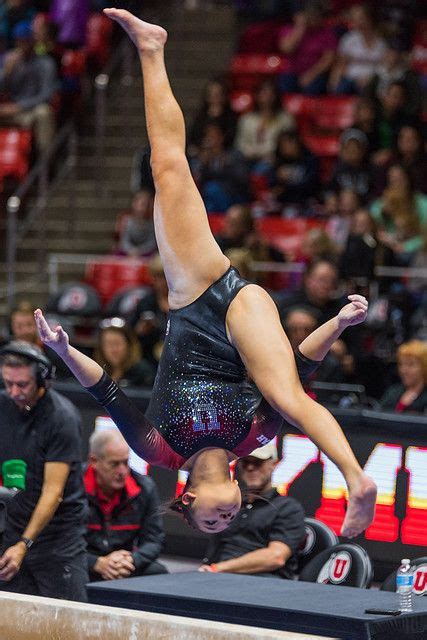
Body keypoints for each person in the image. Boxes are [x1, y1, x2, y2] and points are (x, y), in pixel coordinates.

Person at [34, 8, 376, 540]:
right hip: (241, 310)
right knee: (290, 397)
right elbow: (302, 366)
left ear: (186, 497)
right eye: (230, 517)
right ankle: (356, 477)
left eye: (212, 519)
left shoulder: (159, 448)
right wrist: (337, 324)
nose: (227, 514)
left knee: (168, 166)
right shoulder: (254, 438)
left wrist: (60, 349)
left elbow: (106, 390)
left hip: (197, 295)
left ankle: (152, 49)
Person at [0, 341, 88, 600]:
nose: (14, 392)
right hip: (13, 530)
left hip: (59, 540)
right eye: (8, 383)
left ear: (41, 380)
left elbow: (53, 493)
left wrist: (24, 545)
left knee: (68, 625)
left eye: (22, 385)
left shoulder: (61, 417)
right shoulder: (3, 406)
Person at [199, 442, 305, 579]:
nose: (250, 467)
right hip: (218, 577)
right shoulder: (230, 505)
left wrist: (219, 568)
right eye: (245, 462)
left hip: (262, 582)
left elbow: (276, 557)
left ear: (273, 464)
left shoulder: (288, 508)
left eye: (257, 462)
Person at [85, 429, 167, 581]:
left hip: (125, 564)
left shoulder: (144, 488)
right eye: (114, 464)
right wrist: (96, 563)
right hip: (86, 563)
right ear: (94, 461)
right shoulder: (74, 485)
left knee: (158, 573)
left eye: (125, 462)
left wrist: (132, 560)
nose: (122, 471)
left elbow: (154, 540)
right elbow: (63, 541)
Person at [0, 19, 57, 153]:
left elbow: (46, 95)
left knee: (44, 112)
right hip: (8, 109)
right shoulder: (8, 59)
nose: (22, 45)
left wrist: (19, 107)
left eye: (25, 41)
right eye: (19, 41)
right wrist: (6, 73)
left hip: (29, 111)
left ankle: (45, 165)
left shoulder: (46, 63)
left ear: (32, 41)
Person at [278, 1, 337, 96]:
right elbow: (286, 49)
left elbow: (328, 60)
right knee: (284, 86)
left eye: (316, 15)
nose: (313, 18)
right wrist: (300, 29)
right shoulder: (289, 29)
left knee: (313, 88)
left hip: (316, 73)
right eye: (310, 15)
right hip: (292, 72)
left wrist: (311, 75)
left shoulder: (327, 33)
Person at [329, 4, 387, 95]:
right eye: (354, 18)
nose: (356, 21)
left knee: (368, 90)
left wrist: (371, 78)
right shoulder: (348, 39)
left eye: (360, 18)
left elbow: (385, 66)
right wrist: (334, 81)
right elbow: (340, 63)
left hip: (373, 79)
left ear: (370, 19)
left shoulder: (382, 41)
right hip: (351, 78)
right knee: (340, 89)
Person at [94, 318, 155, 388]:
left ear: (129, 345)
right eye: (108, 344)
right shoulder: (97, 372)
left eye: (117, 343)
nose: (113, 350)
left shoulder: (144, 373)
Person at [379, 340, 427, 414]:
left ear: (424, 367)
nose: (404, 370)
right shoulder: (393, 392)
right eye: (401, 364)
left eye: (410, 365)